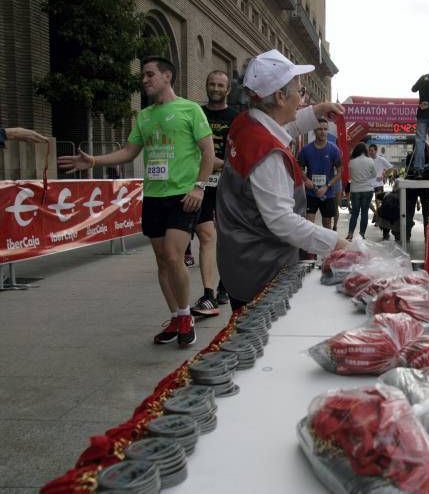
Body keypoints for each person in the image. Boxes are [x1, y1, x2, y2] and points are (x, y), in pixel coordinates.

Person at [58, 56, 216, 348]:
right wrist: (93, 160)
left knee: (173, 255)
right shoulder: (144, 117)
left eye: (150, 74)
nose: (144, 80)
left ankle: (185, 317)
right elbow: (129, 152)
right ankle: (175, 315)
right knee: (161, 260)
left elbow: (208, 154)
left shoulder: (190, 110)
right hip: (154, 196)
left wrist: (198, 187)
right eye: (143, 75)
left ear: (168, 76)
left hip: (182, 195)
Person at [215, 49, 348, 310]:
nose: (302, 97)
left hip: (239, 260)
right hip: (261, 271)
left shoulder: (246, 122)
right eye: (300, 91)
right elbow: (282, 222)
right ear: (279, 96)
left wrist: (317, 111)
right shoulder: (267, 154)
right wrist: (338, 243)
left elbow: (282, 126)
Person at [187, 70, 239, 317]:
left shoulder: (236, 118)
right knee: (206, 235)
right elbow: (192, 150)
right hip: (200, 183)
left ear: (227, 89)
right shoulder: (196, 113)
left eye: (220, 85)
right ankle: (208, 295)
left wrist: (222, 164)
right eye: (211, 84)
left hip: (228, 185)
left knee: (228, 239)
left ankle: (224, 285)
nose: (215, 88)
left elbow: (238, 153)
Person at [299, 119, 342, 230]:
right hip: (310, 193)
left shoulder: (334, 150)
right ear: (314, 130)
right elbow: (299, 169)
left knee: (327, 224)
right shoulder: (305, 150)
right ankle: (308, 247)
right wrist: (305, 180)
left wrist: (327, 186)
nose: (323, 132)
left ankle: (326, 247)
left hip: (327, 193)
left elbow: (340, 172)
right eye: (319, 129)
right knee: (308, 224)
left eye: (325, 129)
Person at [346, 143, 377, 240]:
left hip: (355, 190)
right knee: (364, 213)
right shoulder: (370, 161)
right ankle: (362, 234)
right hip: (368, 190)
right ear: (365, 151)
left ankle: (350, 234)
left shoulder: (351, 162)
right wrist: (366, 177)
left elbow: (350, 175)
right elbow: (374, 175)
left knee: (354, 213)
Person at [404, 145, 429, 241]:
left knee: (410, 212)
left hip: (412, 185)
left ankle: (407, 235)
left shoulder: (410, 156)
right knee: (426, 213)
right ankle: (427, 236)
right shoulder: (428, 156)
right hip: (425, 185)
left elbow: (407, 169)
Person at [368, 143, 396, 240]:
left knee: (378, 203)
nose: (370, 152)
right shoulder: (367, 160)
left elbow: (392, 168)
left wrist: (384, 176)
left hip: (378, 185)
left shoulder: (381, 159)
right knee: (367, 202)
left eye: (372, 150)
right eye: (369, 150)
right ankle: (376, 214)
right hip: (368, 184)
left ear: (376, 151)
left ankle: (378, 219)